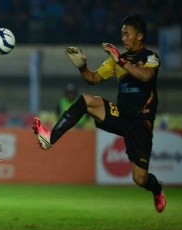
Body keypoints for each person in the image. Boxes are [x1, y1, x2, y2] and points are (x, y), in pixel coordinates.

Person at [32, 13, 166, 213]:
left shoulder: (150, 57)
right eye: (122, 34)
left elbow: (145, 77)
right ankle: (50, 137)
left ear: (139, 36)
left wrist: (119, 60)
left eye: (127, 34)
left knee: (140, 178)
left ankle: (157, 189)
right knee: (87, 100)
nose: (123, 38)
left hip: (141, 123)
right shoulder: (117, 60)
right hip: (122, 115)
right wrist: (82, 66)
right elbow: (92, 79)